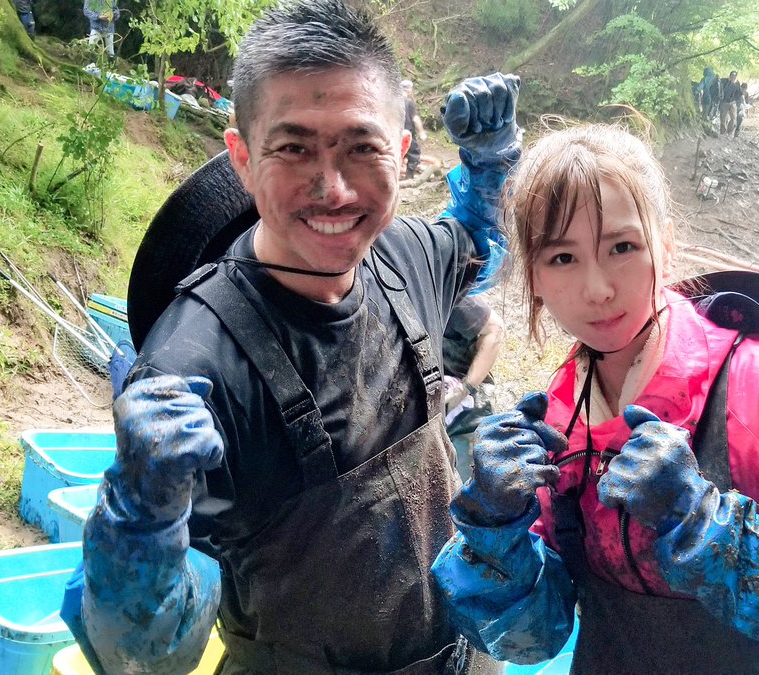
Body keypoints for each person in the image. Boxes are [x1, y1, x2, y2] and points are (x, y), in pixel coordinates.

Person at [63, 0, 523, 672]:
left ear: (399, 153)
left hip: (465, 656)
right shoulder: (197, 367)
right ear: (242, 158)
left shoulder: (406, 253)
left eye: (362, 147)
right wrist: (142, 518)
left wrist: (489, 170)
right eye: (294, 147)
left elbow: (479, 245)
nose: (333, 189)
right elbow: (145, 655)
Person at [431, 124, 759, 672]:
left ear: (665, 247)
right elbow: (532, 642)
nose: (598, 288)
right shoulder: (558, 417)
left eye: (622, 247)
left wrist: (703, 524)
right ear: (531, 276)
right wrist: (493, 528)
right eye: (562, 258)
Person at [442, 294, 504, 481]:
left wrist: (465, 388)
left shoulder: (443, 294)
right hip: (415, 420)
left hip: (464, 413)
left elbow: (494, 329)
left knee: (476, 485)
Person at [402, 79, 428, 179]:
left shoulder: (392, 102)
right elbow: (415, 119)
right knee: (413, 156)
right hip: (407, 134)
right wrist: (421, 132)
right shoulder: (409, 103)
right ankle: (409, 177)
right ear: (409, 90)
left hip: (394, 134)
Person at [720, 70, 743, 136]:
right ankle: (722, 132)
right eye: (732, 76)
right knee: (723, 118)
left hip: (733, 102)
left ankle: (729, 132)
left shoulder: (737, 83)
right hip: (724, 102)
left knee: (733, 118)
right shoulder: (724, 81)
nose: (733, 77)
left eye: (735, 76)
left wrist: (742, 102)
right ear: (730, 76)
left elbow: (739, 93)